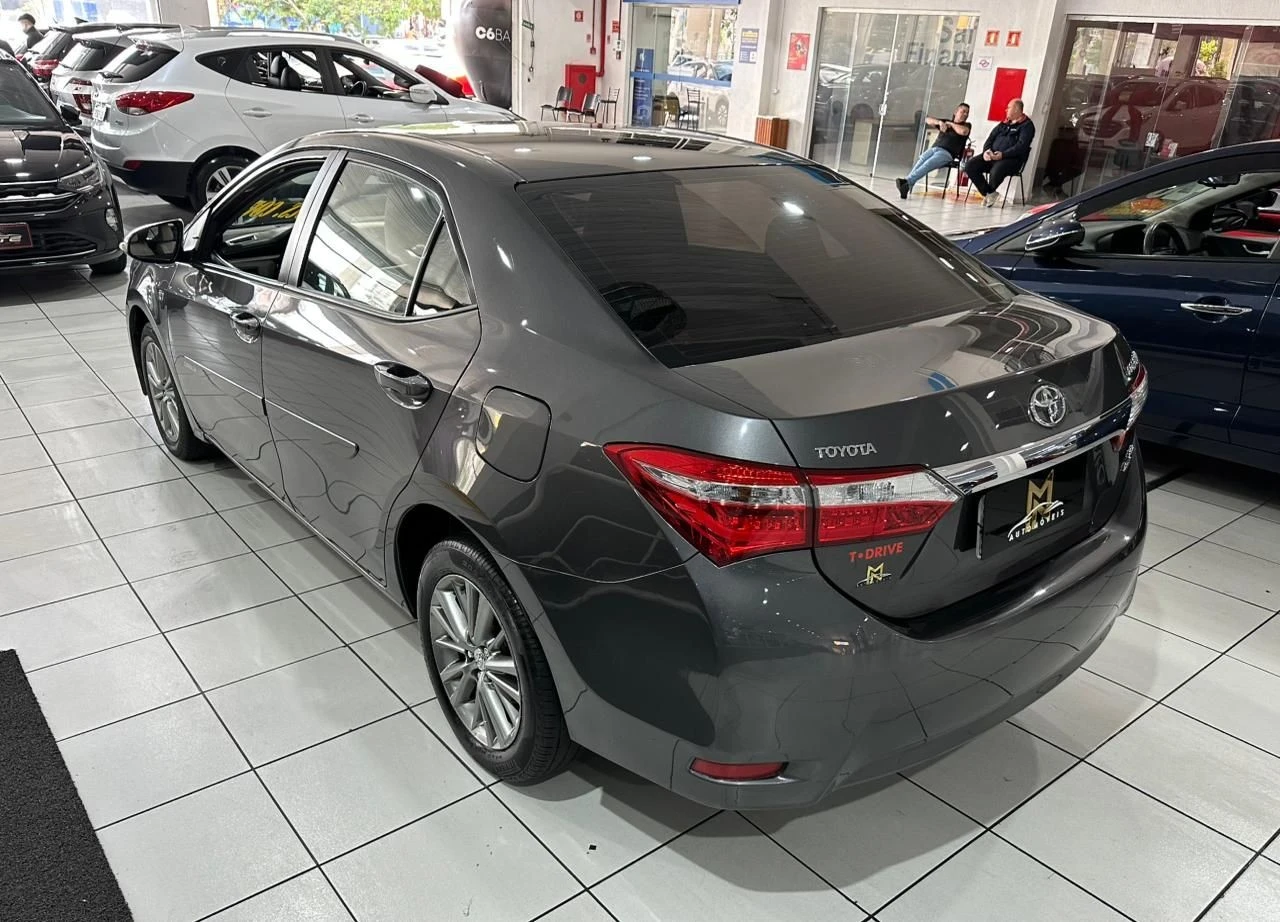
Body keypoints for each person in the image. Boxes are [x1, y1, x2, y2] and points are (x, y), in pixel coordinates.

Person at [965, 98, 1036, 207]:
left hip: (1011, 160)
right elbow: (990, 139)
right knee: (970, 165)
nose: (1006, 110)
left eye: (1008, 108)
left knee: (997, 169)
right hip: (992, 156)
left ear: (1016, 109)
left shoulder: (1027, 126)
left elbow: (1021, 146)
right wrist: (987, 151)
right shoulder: (1003, 124)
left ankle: (989, 194)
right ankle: (990, 193)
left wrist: (1003, 155)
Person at [895, 103, 972, 199]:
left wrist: (951, 124)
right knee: (922, 158)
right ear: (956, 112)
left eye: (967, 113)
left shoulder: (966, 125)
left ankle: (907, 182)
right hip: (934, 149)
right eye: (963, 111)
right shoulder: (945, 122)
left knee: (928, 163)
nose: (965, 114)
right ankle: (907, 184)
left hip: (947, 153)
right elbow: (927, 120)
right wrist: (939, 122)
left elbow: (963, 131)